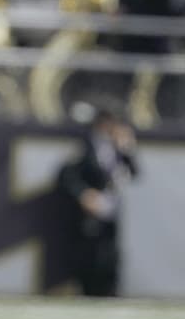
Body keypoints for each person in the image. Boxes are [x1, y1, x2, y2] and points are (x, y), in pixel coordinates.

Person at [55, 107, 138, 297]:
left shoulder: (118, 148)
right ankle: (88, 291)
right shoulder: (84, 145)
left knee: (110, 257)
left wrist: (128, 150)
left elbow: (134, 172)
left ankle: (109, 292)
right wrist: (83, 194)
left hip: (111, 210)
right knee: (89, 257)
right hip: (88, 213)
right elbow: (65, 175)